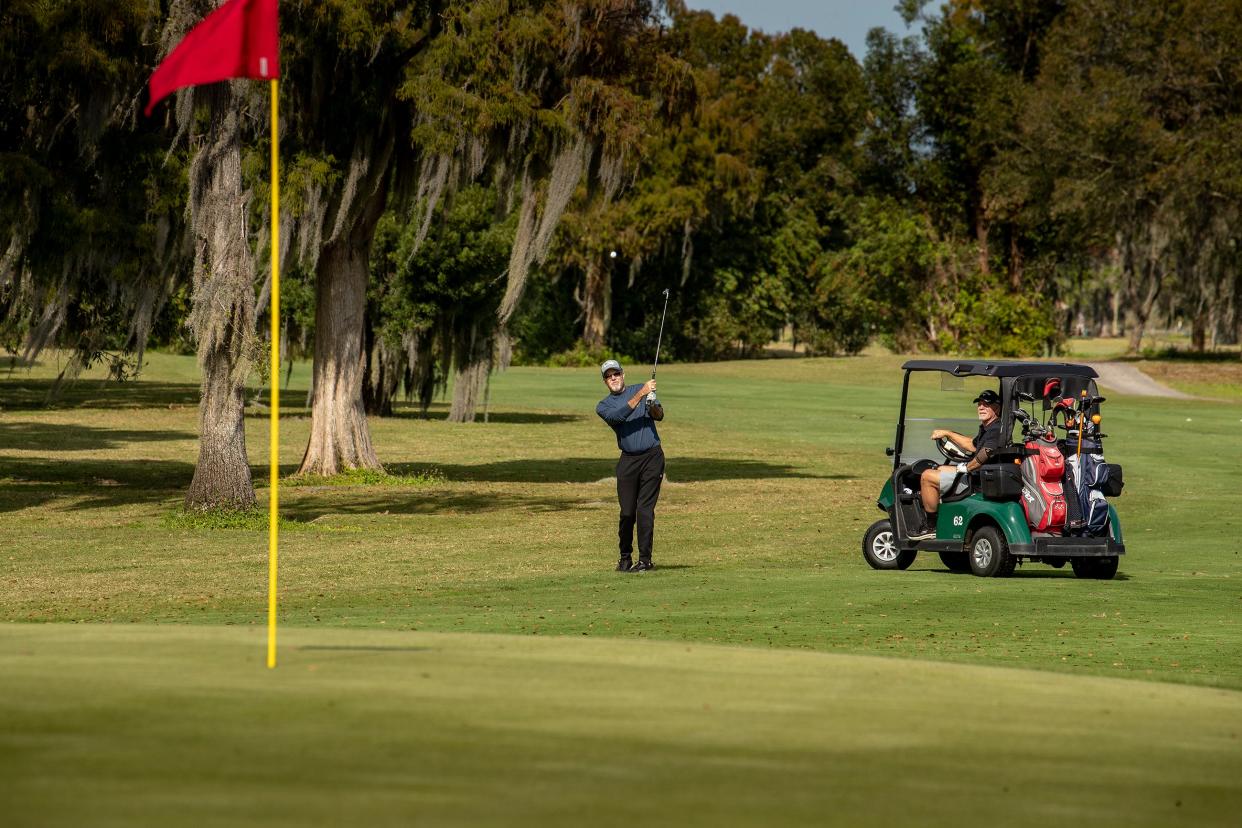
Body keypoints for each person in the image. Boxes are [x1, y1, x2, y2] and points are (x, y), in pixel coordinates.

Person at [596, 359, 665, 572]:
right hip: (628, 460)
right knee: (627, 512)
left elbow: (659, 416)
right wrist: (642, 393)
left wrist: (652, 403)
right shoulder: (604, 406)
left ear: (623, 374)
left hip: (652, 457)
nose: (613, 378)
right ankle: (625, 557)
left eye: (616, 373)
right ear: (605, 381)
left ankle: (645, 560)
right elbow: (619, 416)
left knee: (645, 510)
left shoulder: (642, 390)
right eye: (608, 376)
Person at [912, 389, 1004, 540]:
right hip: (978, 475)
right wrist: (948, 434)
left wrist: (966, 468)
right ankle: (939, 510)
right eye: (979, 404)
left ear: (997, 408)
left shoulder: (995, 430)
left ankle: (931, 525)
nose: (981, 407)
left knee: (927, 476)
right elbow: (972, 445)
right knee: (940, 469)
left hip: (977, 480)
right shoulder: (988, 427)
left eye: (986, 404)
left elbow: (985, 453)